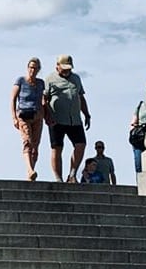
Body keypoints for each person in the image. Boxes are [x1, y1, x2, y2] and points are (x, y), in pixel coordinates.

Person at [44, 55, 90, 184]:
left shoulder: (76, 78)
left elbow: (81, 97)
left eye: (68, 69)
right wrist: (47, 115)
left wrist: (87, 114)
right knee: (57, 148)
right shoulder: (50, 79)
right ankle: (58, 178)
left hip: (74, 119)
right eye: (64, 68)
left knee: (81, 145)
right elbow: (44, 99)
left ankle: (72, 174)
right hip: (56, 119)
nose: (66, 71)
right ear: (57, 66)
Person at [11, 59, 45, 181]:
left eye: (35, 68)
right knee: (27, 142)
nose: (33, 70)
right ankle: (30, 169)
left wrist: (45, 114)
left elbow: (42, 99)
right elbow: (13, 99)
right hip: (24, 115)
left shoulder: (41, 83)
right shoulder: (20, 81)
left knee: (35, 146)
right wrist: (14, 117)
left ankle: (31, 173)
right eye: (31, 67)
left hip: (37, 116)